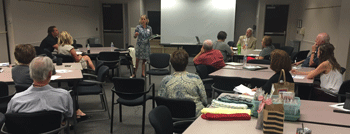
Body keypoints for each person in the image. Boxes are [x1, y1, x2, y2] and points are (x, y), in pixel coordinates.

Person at [6, 56, 73, 117]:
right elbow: (69, 114)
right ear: (50, 74)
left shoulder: (16, 100)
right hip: (54, 130)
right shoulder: (64, 96)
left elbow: (9, 119)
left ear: (30, 72)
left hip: (26, 130)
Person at [158, 50, 207, 116]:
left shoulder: (165, 80)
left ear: (171, 63)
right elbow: (204, 101)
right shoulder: (195, 78)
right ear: (186, 63)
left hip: (172, 116)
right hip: (194, 117)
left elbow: (161, 102)